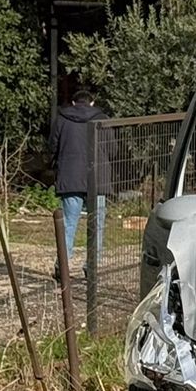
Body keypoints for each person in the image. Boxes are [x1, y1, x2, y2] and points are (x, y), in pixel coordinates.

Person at [51, 89, 114, 280]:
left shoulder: (62, 119)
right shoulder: (102, 119)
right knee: (97, 224)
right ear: (92, 102)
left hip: (70, 177)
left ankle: (62, 266)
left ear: (72, 102)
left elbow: (53, 146)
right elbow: (112, 149)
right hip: (98, 177)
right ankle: (91, 267)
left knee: (69, 223)